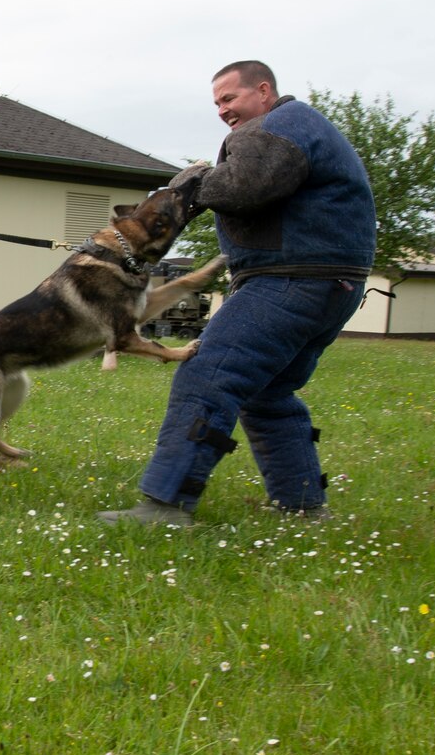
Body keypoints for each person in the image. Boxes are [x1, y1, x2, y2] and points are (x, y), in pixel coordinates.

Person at [100, 60, 376, 527]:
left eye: (230, 98)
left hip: (289, 281)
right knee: (268, 392)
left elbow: (247, 186)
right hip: (333, 285)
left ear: (263, 90)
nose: (223, 111)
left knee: (207, 375)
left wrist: (191, 187)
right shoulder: (301, 126)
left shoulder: (274, 126)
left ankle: (166, 505)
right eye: (217, 104)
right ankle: (303, 504)